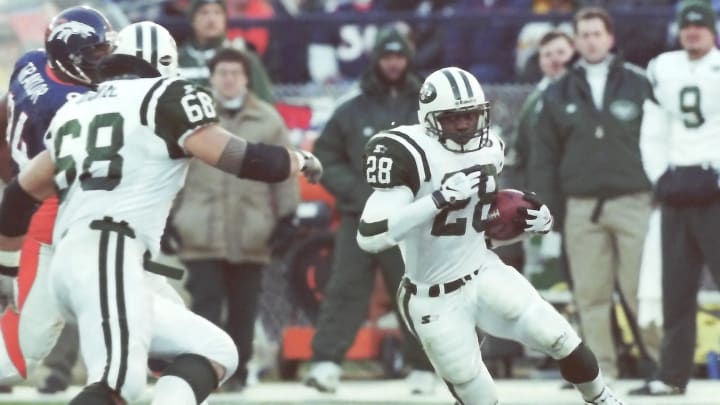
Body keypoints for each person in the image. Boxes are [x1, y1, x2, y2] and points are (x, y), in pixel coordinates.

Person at [0, 19, 322, 405]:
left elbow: (19, 196)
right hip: (108, 252)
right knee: (118, 386)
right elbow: (239, 158)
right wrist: (298, 160)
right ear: (165, 62)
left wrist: (7, 268)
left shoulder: (77, 108)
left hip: (90, 258)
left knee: (216, 351)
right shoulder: (165, 96)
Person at [355, 66, 625, 405]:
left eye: (471, 114)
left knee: (560, 337)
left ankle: (602, 399)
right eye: (453, 118)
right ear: (429, 117)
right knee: (479, 397)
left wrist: (529, 225)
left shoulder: (489, 148)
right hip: (432, 296)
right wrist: (437, 200)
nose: (465, 124)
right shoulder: (407, 152)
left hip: (482, 270)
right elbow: (370, 235)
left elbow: (475, 231)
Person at [303, 26, 436, 395]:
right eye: (386, 56)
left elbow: (444, 154)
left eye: (399, 56)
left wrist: (421, 197)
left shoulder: (424, 106)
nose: (393, 63)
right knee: (344, 288)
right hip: (359, 218)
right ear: (376, 59)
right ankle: (326, 363)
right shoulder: (352, 106)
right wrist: (359, 192)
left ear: (408, 59)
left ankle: (423, 367)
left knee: (414, 291)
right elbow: (326, 156)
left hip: (410, 220)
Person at [528, 6, 658, 381]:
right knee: (590, 294)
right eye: (583, 34)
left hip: (634, 200)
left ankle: (660, 364)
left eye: (596, 33)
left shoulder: (639, 82)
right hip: (581, 205)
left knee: (643, 291)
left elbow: (662, 138)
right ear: (575, 41)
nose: (590, 40)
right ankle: (602, 373)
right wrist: (547, 214)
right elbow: (544, 157)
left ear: (610, 37)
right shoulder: (557, 92)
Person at [171, 47, 300, 391]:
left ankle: (238, 374)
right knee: (205, 308)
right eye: (222, 73)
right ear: (211, 77)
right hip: (200, 228)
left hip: (252, 230)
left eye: (235, 73)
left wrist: (288, 217)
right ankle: (203, 376)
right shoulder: (192, 118)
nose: (229, 79)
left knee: (244, 310)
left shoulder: (268, 120)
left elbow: (285, 169)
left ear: (246, 78)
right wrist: (169, 217)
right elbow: (173, 171)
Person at [0, 6, 115, 389]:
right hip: (49, 215)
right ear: (69, 53)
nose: (105, 60)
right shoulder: (73, 105)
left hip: (21, 190)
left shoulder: (31, 62)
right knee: (24, 344)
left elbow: (4, 114)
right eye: (96, 53)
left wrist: (10, 173)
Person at [629, 0, 720, 396]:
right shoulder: (662, 67)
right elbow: (653, 127)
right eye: (687, 27)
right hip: (676, 188)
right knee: (676, 287)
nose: (693, 33)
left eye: (700, 27)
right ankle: (671, 375)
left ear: (713, 30)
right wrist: (660, 175)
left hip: (714, 187)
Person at [178, 0, 275, 104]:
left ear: (225, 18)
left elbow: (265, 105)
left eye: (217, 13)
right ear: (192, 19)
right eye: (204, 13)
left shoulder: (243, 57)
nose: (211, 19)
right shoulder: (176, 59)